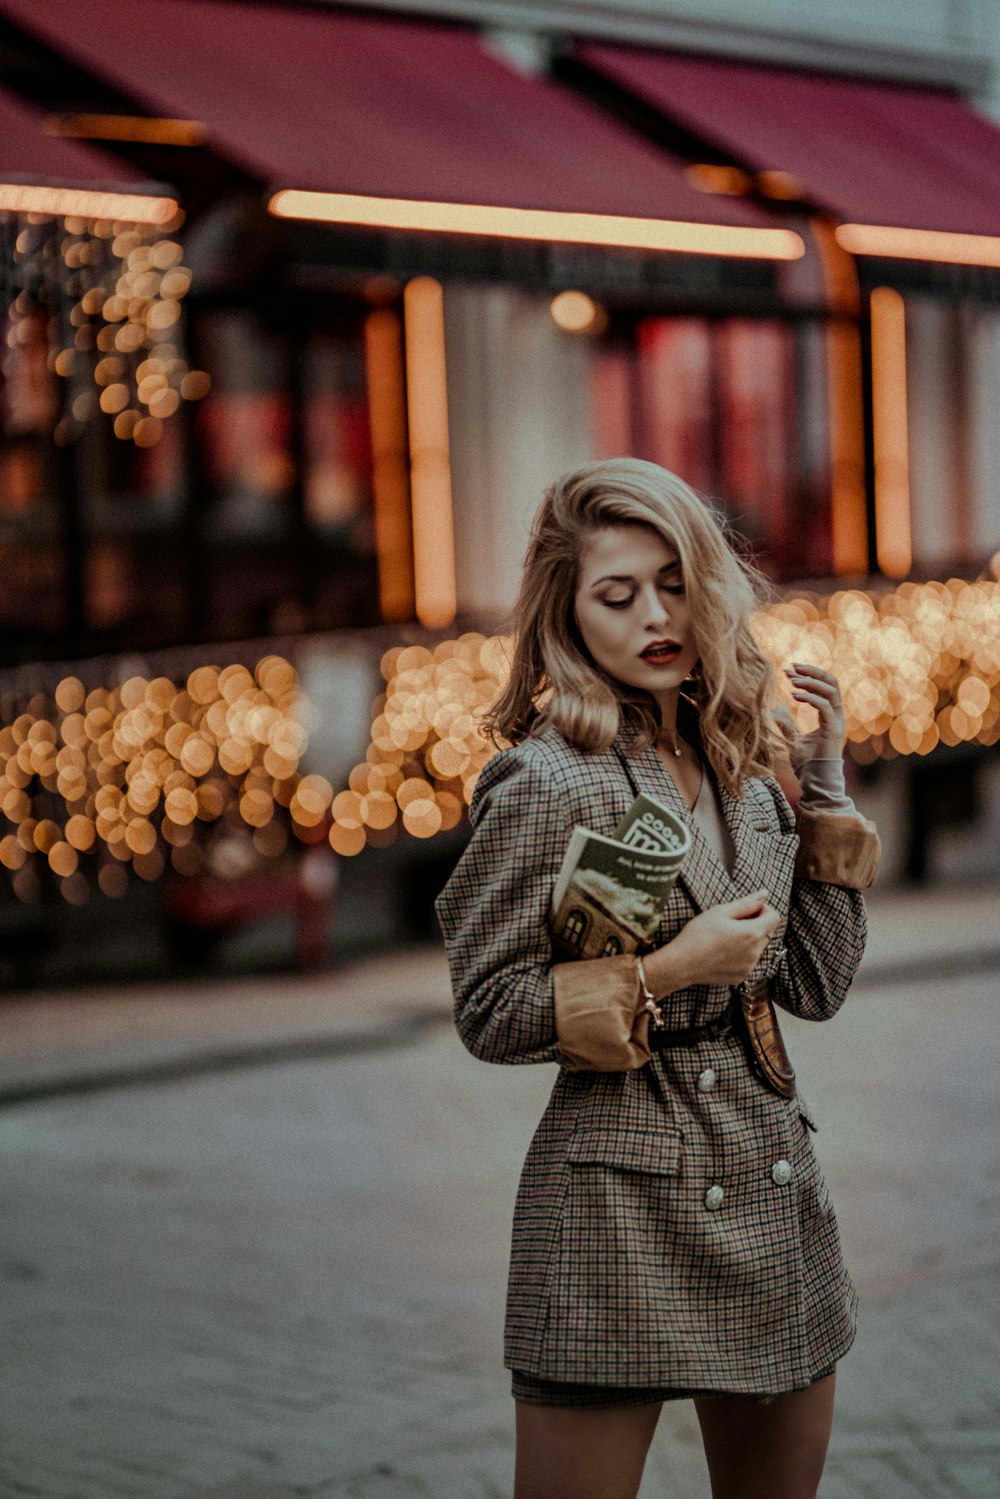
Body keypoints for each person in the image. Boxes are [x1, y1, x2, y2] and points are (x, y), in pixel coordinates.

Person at [434, 459, 881, 1499]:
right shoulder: (545, 779)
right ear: (567, 611)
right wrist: (674, 966)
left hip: (766, 1176)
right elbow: (489, 1009)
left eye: (672, 581)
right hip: (611, 1203)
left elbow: (813, 983)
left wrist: (822, 784)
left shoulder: (742, 758)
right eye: (616, 592)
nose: (653, 616)